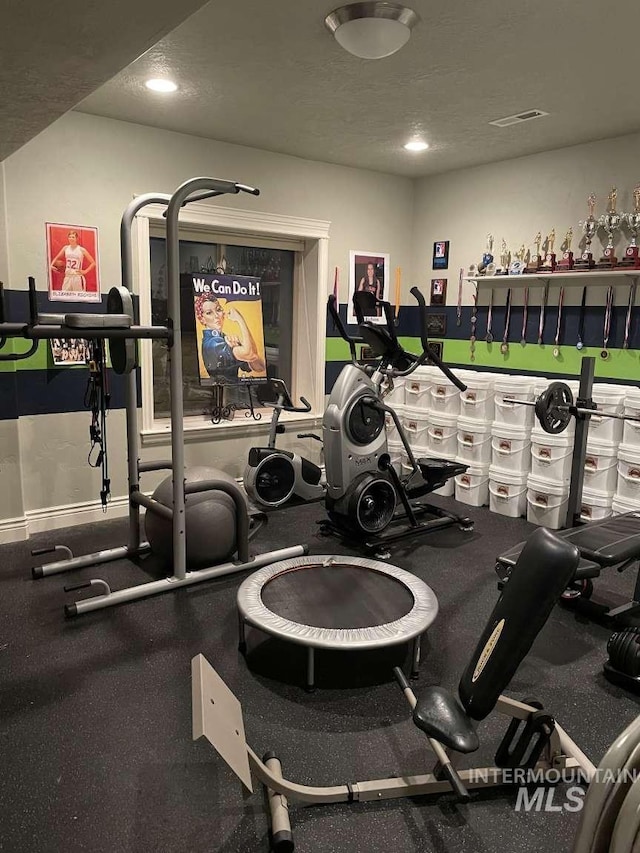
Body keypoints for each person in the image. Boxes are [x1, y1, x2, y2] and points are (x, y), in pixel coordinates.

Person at [194, 294, 266, 383]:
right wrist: (240, 320)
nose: (216, 315)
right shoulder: (212, 343)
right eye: (209, 313)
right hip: (223, 391)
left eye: (218, 310)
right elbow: (250, 354)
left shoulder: (224, 338)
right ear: (202, 319)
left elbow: (259, 367)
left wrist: (239, 346)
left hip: (237, 390)